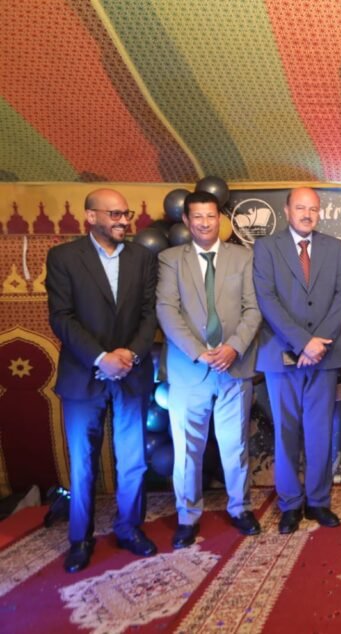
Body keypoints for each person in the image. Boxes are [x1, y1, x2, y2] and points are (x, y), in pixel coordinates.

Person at [46, 188, 158, 573]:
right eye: (114, 214)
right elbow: (61, 317)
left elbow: (149, 314)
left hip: (131, 372)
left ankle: (129, 529)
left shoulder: (142, 257)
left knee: (133, 459)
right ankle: (80, 538)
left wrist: (130, 355)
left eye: (126, 214)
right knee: (83, 463)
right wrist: (100, 358)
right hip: (84, 374)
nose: (123, 221)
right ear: (91, 216)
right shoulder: (64, 257)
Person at [156, 191, 263, 548]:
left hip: (234, 365)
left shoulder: (243, 257)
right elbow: (167, 310)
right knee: (187, 449)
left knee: (235, 445)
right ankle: (187, 517)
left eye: (211, 216)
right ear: (186, 221)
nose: (205, 223)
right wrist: (200, 353)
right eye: (197, 217)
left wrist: (234, 347)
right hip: (190, 370)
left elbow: (253, 309)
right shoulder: (171, 259)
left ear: (221, 219)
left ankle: (240, 508)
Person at [253, 187, 341, 534]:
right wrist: (302, 342)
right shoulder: (266, 247)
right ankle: (290, 504)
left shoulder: (334, 247)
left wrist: (318, 342)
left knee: (321, 433)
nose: (307, 214)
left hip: (324, 355)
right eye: (300, 208)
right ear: (287, 210)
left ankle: (318, 501)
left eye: (313, 209)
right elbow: (266, 299)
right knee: (286, 433)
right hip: (282, 356)